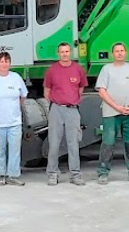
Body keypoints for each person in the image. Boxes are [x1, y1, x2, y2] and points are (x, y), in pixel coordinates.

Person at [95, 42, 129, 185]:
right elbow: (101, 90)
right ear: (112, 54)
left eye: (122, 50)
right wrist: (117, 107)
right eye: (117, 51)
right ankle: (103, 173)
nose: (120, 53)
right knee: (108, 141)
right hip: (111, 112)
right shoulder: (106, 69)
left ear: (126, 52)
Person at [43, 41, 88, 186]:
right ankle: (52, 174)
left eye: (67, 51)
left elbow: (81, 88)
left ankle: (75, 175)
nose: (65, 54)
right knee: (54, 143)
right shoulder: (52, 70)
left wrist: (71, 100)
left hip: (73, 110)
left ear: (71, 53)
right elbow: (47, 92)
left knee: (73, 144)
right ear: (58, 53)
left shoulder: (78, 69)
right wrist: (58, 102)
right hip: (56, 109)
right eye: (62, 52)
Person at [0, 51, 28, 186]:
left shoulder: (16, 78)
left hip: (14, 122)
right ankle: (1, 175)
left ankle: (13, 175)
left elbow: (23, 96)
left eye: (6, 61)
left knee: (14, 150)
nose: (4, 64)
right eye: (1, 61)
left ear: (10, 63)